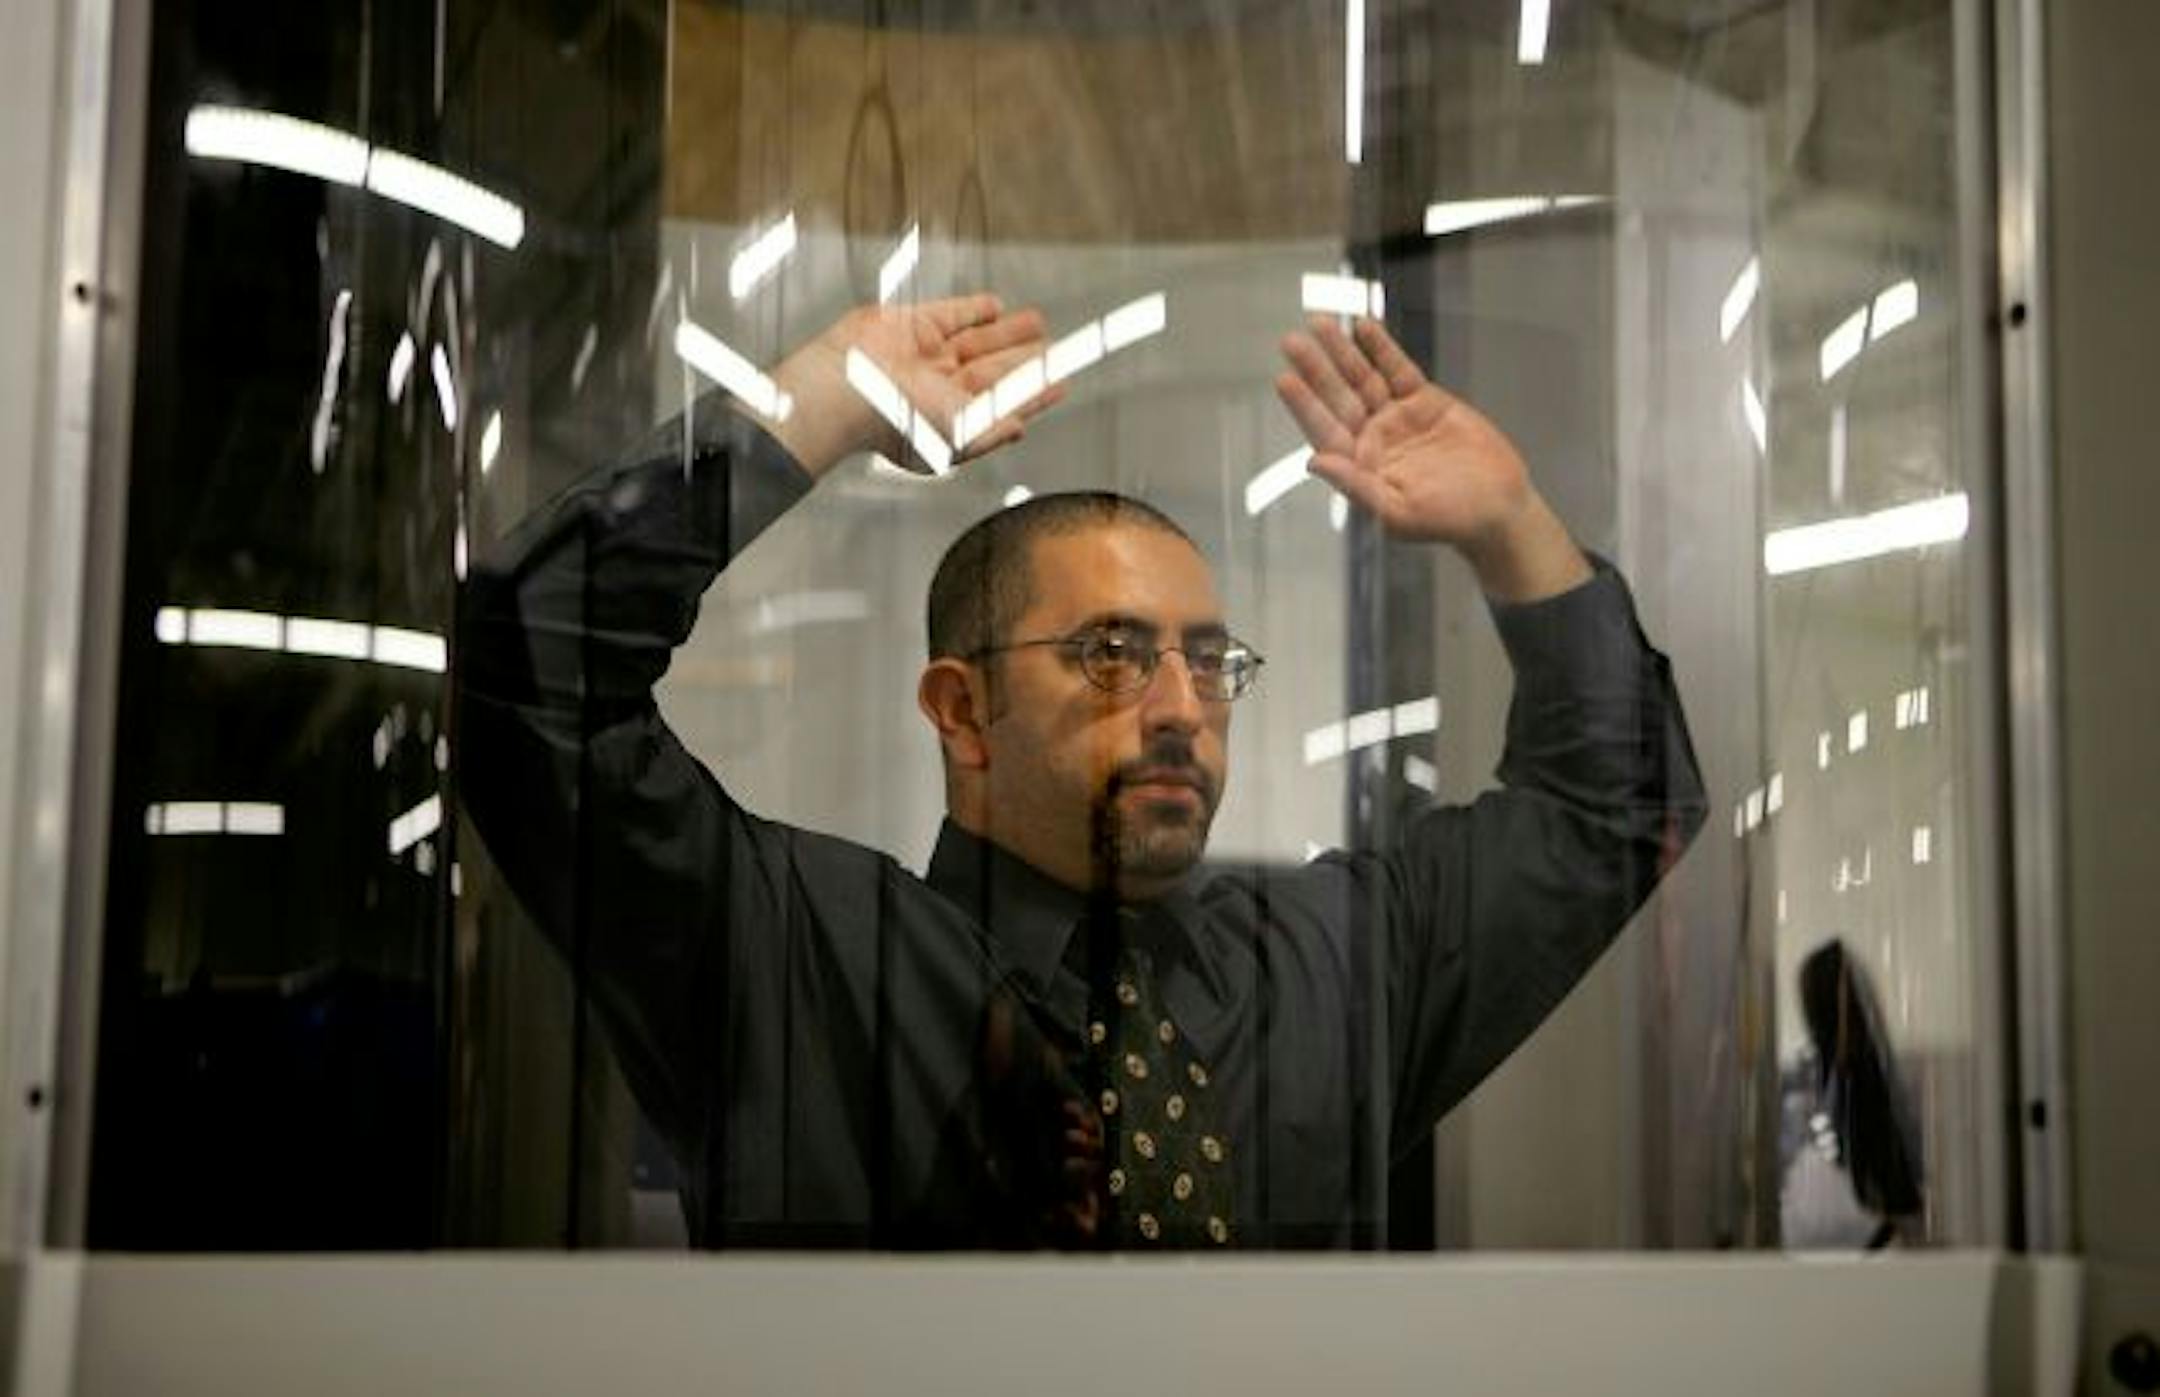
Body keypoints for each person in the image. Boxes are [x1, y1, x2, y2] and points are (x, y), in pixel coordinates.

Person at [459, 293, 1706, 1249]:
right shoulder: (791, 953)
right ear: (964, 710)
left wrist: (1515, 527)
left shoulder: (1324, 968)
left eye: (1210, 661)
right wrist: (816, 407)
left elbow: (1615, 811)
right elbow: (530, 680)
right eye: (1113, 654)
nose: (1181, 708)